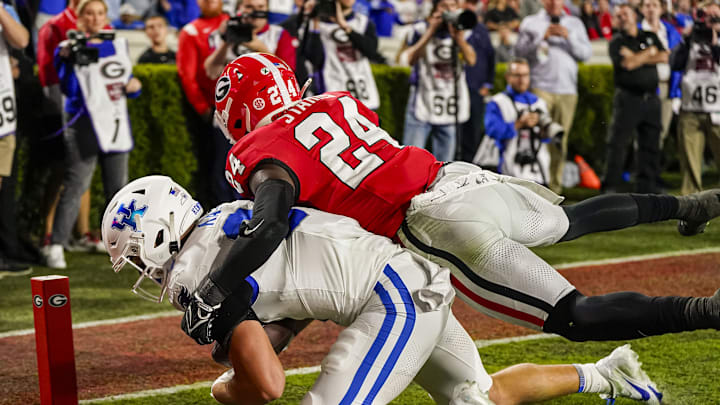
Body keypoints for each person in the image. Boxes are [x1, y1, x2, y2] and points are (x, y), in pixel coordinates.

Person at [188, 52, 720, 348]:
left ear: (238, 112)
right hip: (461, 179)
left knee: (574, 314)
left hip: (434, 221)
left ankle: (706, 311)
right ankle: (688, 206)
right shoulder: (334, 100)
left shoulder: (260, 149)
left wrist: (213, 289)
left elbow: (272, 224)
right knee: (571, 218)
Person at [102, 175, 664, 405]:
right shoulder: (226, 215)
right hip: (408, 278)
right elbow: (283, 305)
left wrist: (226, 385)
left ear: (155, 231)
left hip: (391, 300)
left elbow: (268, 387)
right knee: (476, 397)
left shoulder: (193, 272)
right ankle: (608, 372)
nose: (140, 269)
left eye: (134, 253)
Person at [42, 0, 142, 269]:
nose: (96, 18)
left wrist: (135, 86)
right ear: (80, 16)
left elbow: (126, 85)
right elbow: (68, 88)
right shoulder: (68, 48)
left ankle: (122, 245)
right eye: (90, 13)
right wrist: (67, 59)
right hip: (84, 124)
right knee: (76, 184)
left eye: (100, 12)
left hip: (115, 123)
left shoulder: (117, 45)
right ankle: (56, 244)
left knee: (119, 189)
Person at [36, 0, 104, 255]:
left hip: (93, 111)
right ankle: (48, 234)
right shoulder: (53, 26)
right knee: (62, 171)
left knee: (81, 169)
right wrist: (59, 109)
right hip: (62, 108)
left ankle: (82, 232)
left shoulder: (99, 26)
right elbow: (48, 71)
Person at [515, 0, 592, 193]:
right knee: (536, 137)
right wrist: (542, 37)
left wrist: (568, 38)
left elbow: (586, 54)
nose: (554, 2)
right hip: (540, 88)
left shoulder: (575, 23)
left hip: (567, 90)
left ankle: (554, 189)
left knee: (559, 140)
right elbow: (518, 52)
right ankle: (533, 185)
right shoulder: (531, 22)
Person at [176, 0, 237, 207]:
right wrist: (204, 109)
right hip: (217, 112)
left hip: (246, 107)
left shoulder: (235, 23)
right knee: (219, 168)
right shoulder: (191, 31)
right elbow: (188, 76)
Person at [400, 0, 476, 162]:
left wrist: (459, 39)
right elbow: (410, 59)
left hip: (450, 104)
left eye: (453, 6)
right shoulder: (419, 29)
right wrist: (430, 32)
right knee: (412, 159)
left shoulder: (463, 30)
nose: (449, 10)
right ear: (434, 8)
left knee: (445, 164)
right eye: (444, 6)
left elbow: (471, 60)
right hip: (423, 101)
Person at [603, 4, 667, 194]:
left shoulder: (649, 35)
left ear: (634, 16)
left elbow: (664, 56)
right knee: (618, 143)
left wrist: (637, 56)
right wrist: (649, 53)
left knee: (650, 143)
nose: (622, 17)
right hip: (628, 98)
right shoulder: (616, 42)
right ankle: (610, 186)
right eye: (618, 15)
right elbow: (628, 64)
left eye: (625, 13)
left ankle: (647, 186)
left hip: (651, 99)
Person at [671, 0, 720, 233]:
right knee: (690, 167)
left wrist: (715, 42)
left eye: (716, 17)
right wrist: (687, 38)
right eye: (707, 17)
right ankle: (690, 217)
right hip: (691, 109)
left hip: (718, 110)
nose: (710, 21)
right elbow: (675, 63)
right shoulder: (691, 39)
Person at [478, 58, 562, 185]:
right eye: (517, 75)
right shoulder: (497, 102)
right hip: (505, 171)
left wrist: (543, 132)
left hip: (537, 170)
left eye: (525, 75)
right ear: (508, 77)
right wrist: (519, 124)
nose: (522, 80)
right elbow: (492, 130)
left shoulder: (539, 103)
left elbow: (545, 139)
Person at [298, 0, 384, 108]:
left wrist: (344, 26)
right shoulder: (317, 23)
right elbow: (314, 59)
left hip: (364, 93)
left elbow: (371, 51)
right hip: (332, 93)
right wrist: (314, 19)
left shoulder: (363, 22)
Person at [0, 4, 31, 277]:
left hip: (3, 111)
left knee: (3, 187)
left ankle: (5, 252)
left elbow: (21, 40)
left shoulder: (5, 8)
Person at [203, 0, 297, 80]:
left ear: (267, 8)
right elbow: (211, 73)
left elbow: (287, 76)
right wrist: (226, 41)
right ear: (239, 8)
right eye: (249, 6)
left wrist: (260, 48)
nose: (255, 12)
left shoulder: (278, 34)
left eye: (260, 7)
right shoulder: (222, 32)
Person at [640, 0, 682, 149]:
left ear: (662, 9)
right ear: (642, 9)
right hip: (645, 87)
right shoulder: (637, 31)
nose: (651, 9)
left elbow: (678, 59)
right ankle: (641, 169)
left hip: (667, 87)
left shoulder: (670, 31)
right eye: (647, 5)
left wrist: (677, 92)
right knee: (643, 131)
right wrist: (661, 56)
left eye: (654, 5)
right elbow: (631, 60)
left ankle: (652, 169)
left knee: (662, 132)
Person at [460, 12, 495, 163]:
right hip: (452, 90)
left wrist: (487, 83)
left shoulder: (480, 29)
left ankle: (469, 168)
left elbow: (490, 55)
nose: (471, 7)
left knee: (473, 131)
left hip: (475, 88)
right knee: (453, 132)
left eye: (474, 4)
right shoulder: (449, 28)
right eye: (468, 2)